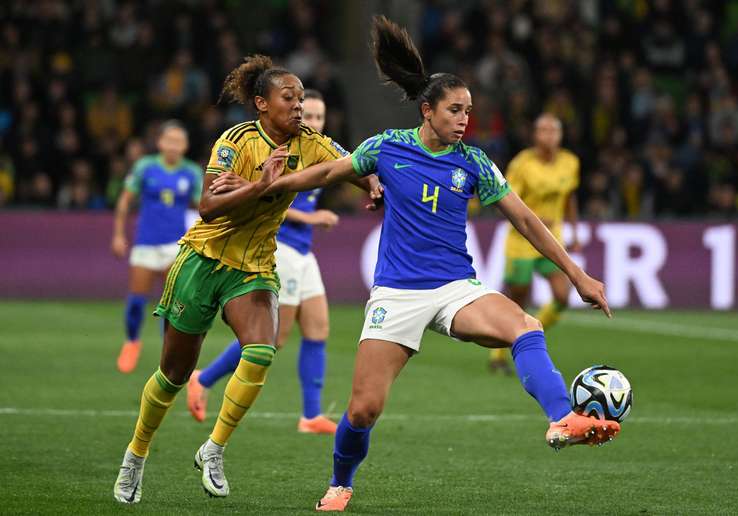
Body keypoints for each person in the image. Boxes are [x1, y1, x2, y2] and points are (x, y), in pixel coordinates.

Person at [211, 17, 620, 512]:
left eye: (468, 110)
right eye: (455, 109)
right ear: (427, 111)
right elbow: (326, 171)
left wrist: (577, 275)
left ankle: (562, 418)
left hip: (455, 287)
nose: (465, 119)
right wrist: (262, 186)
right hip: (397, 294)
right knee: (364, 408)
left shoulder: (474, 163)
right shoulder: (387, 148)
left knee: (525, 324)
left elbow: (528, 222)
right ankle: (340, 483)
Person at [112, 54, 360, 504]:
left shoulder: (310, 141)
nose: (299, 106)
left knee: (262, 350)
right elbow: (208, 206)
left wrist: (374, 184)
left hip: (254, 267)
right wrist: (261, 185)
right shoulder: (236, 141)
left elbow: (352, 163)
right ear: (262, 104)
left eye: (302, 98)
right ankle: (136, 454)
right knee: (173, 373)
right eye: (290, 98)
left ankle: (214, 448)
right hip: (203, 261)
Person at [186, 89, 341, 434]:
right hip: (279, 248)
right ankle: (204, 378)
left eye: (319, 116)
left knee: (319, 328)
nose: (312, 121)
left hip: (304, 253)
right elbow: (268, 200)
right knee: (275, 337)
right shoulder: (284, 151)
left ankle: (311, 415)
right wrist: (313, 220)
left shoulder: (318, 152)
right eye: (309, 115)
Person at [488, 113, 581, 375]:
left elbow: (569, 198)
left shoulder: (570, 162)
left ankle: (529, 335)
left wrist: (574, 232)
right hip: (523, 239)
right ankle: (497, 353)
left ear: (560, 135)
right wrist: (535, 218)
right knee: (519, 297)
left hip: (553, 241)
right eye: (543, 130)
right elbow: (504, 199)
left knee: (562, 297)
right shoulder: (522, 164)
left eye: (554, 130)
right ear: (535, 135)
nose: (549, 136)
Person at [111, 121, 202, 374]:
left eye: (178, 141)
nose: (173, 146)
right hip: (146, 243)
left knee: (173, 303)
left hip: (176, 245)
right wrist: (118, 235)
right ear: (160, 142)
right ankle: (132, 341)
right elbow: (125, 200)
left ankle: (169, 351)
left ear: (185, 146)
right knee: (137, 300)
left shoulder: (192, 172)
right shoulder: (145, 167)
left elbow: (203, 206)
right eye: (169, 140)